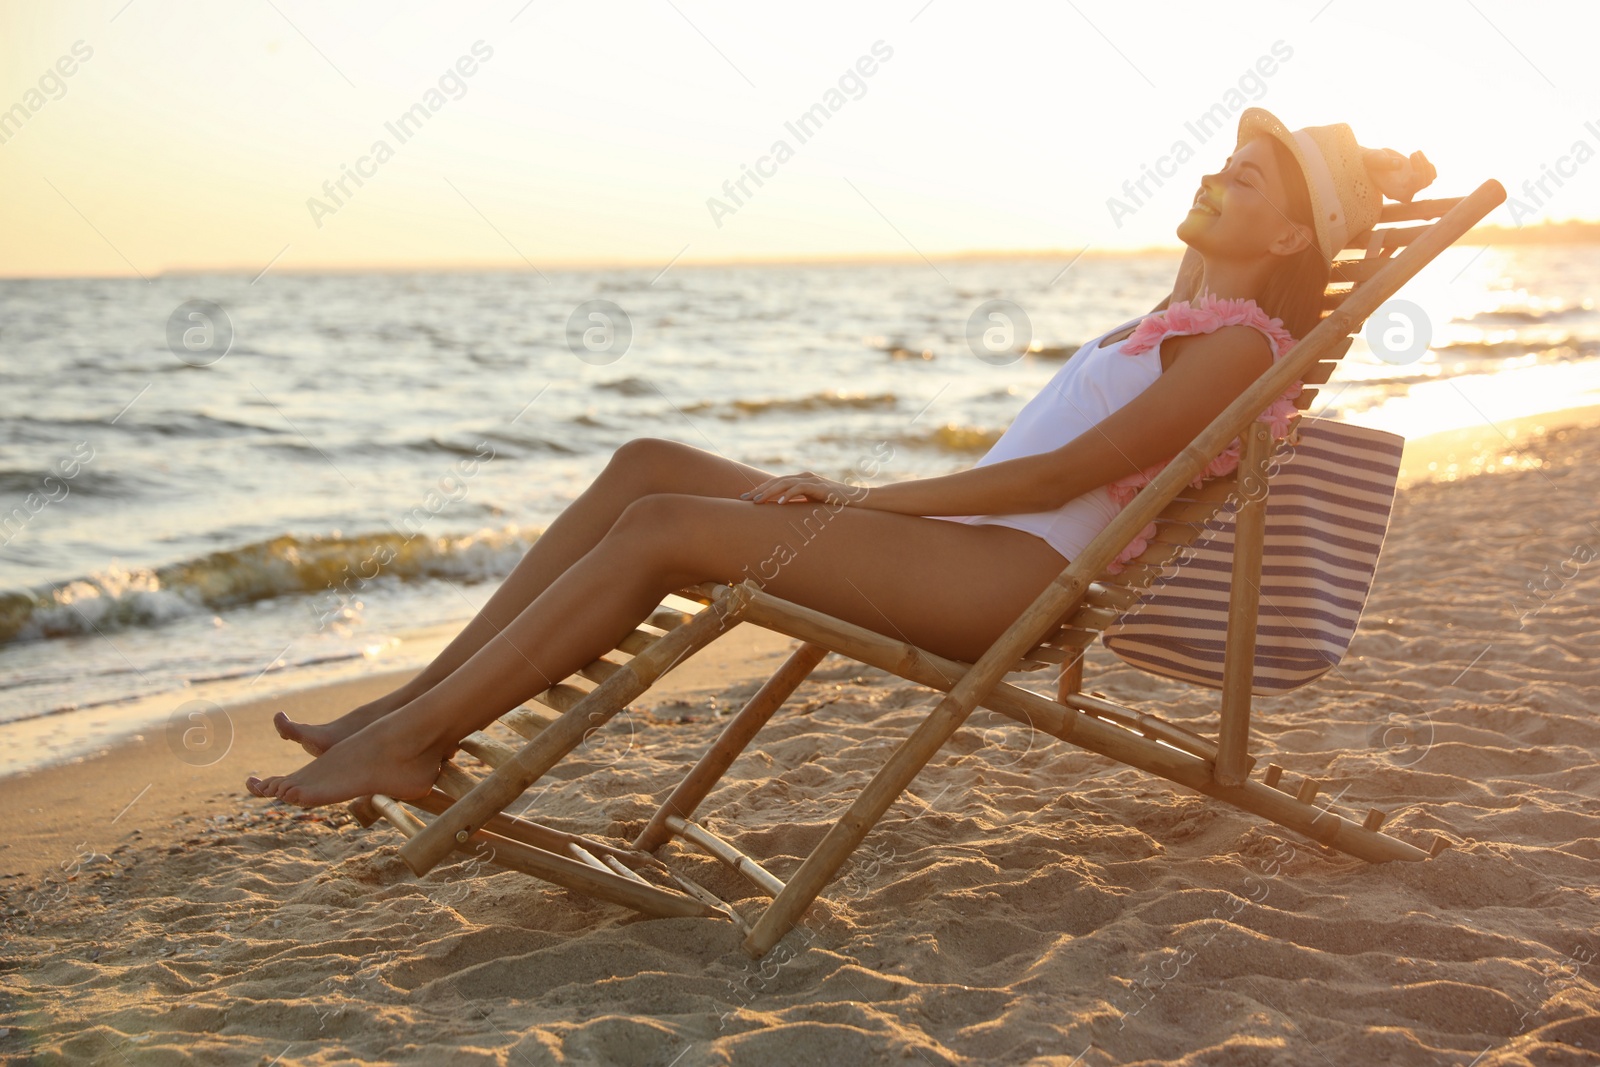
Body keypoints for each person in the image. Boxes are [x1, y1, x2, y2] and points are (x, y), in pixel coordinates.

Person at [249, 108, 1434, 808]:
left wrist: (864, 498)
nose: (1212, 178)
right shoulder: (1186, 311)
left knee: (665, 523)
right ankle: (406, 707)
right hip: (967, 547)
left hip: (1003, 576)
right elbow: (1226, 269)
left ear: (1288, 236)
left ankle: (411, 744)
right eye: (1218, 164)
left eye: (1246, 180)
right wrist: (1360, 176)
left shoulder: (1239, 346)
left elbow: (1049, 479)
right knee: (644, 459)